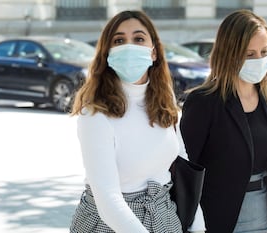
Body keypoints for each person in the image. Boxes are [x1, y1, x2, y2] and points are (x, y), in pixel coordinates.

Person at [69, 10, 205, 233]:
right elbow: (107, 198)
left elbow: (181, 159)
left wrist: (197, 224)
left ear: (153, 52)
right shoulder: (94, 113)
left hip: (163, 214)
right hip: (109, 222)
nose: (129, 46)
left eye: (139, 39)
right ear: (107, 53)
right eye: (119, 40)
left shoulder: (164, 99)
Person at [180, 9, 267, 233]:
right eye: (250, 54)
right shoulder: (203, 102)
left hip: (262, 214)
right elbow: (185, 171)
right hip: (216, 218)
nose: (260, 60)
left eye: (265, 51)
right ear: (229, 54)